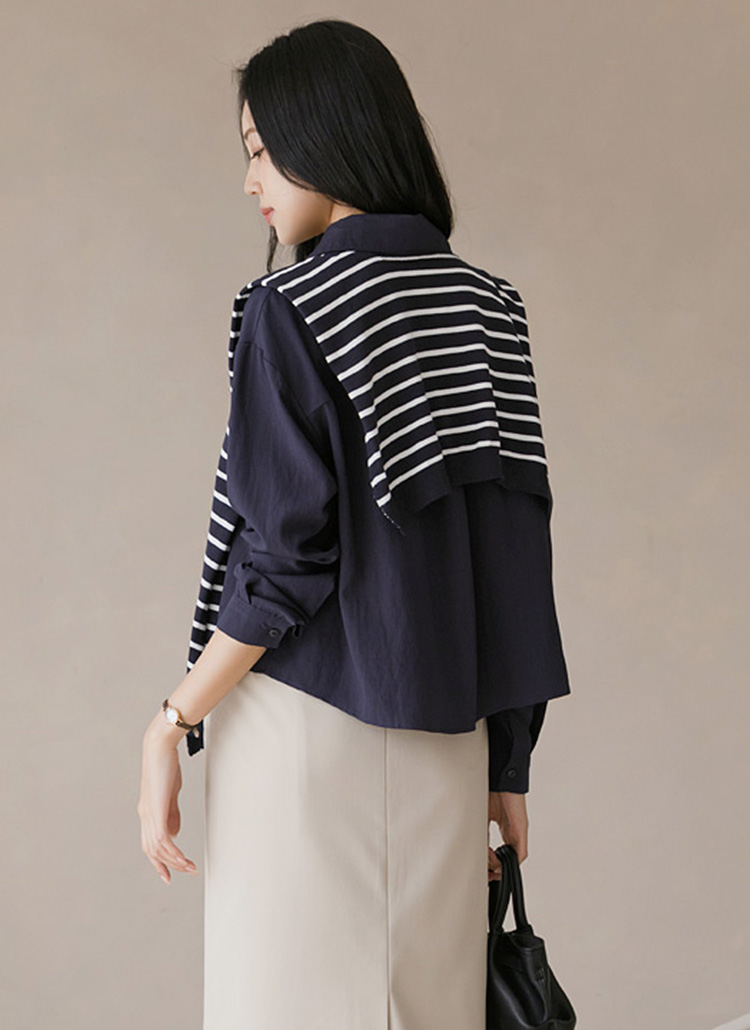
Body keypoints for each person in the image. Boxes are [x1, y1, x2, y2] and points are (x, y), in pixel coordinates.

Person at [138, 17, 571, 1030]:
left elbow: (283, 559)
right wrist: (507, 761)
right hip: (451, 742)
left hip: (302, 729)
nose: (250, 180)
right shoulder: (489, 309)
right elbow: (513, 558)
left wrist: (172, 720)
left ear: (324, 133)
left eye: (261, 149)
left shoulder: (290, 308)